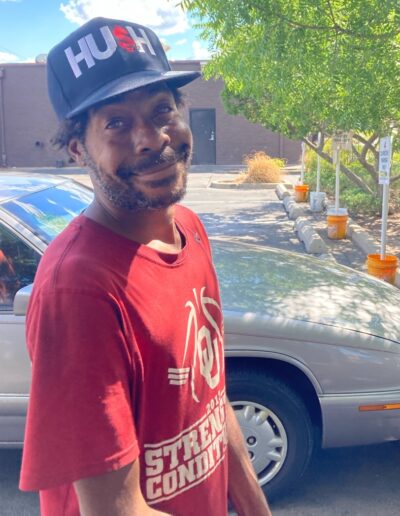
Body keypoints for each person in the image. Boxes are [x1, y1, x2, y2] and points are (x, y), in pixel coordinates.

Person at [19, 17, 272, 516]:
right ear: (77, 150)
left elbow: (211, 399)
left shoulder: (191, 231)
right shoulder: (79, 287)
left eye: (162, 110)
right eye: (116, 123)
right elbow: (117, 511)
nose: (151, 139)